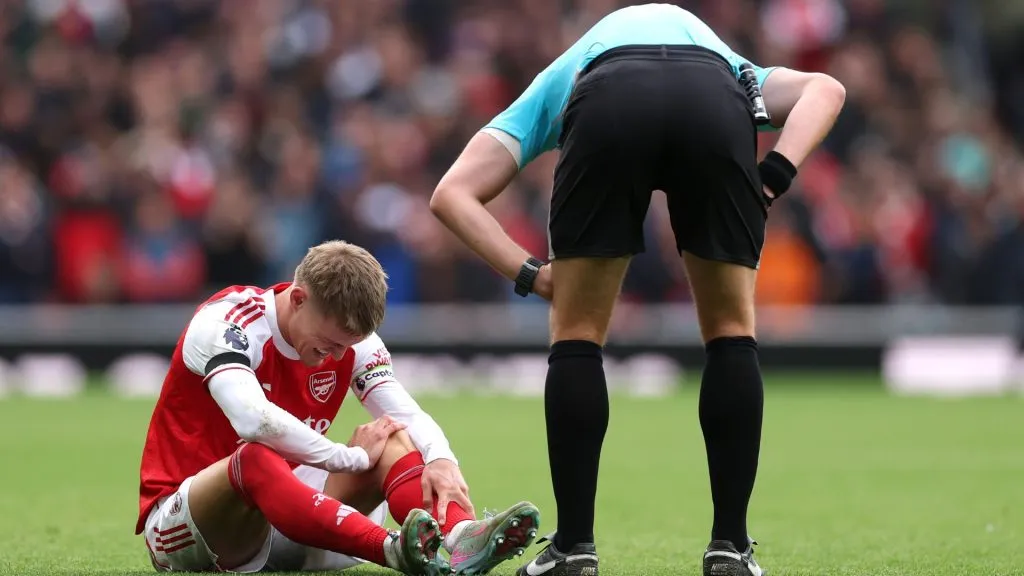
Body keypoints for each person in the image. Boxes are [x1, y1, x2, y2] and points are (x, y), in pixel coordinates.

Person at [429, 4, 846, 576]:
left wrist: (532, 274)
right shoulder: (732, 64)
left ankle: (574, 549)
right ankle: (731, 548)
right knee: (730, 331)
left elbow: (450, 195)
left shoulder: (561, 75)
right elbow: (827, 90)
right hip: (712, 100)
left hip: (606, 99)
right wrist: (773, 175)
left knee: (577, 334)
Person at [136, 240, 541, 575]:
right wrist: (347, 457)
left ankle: (459, 540)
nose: (335, 356)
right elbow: (252, 420)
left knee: (393, 435)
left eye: (346, 347)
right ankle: (392, 550)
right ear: (298, 299)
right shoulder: (227, 323)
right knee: (256, 457)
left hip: (290, 516)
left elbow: (404, 411)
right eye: (330, 343)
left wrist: (442, 459)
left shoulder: (351, 343)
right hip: (191, 529)